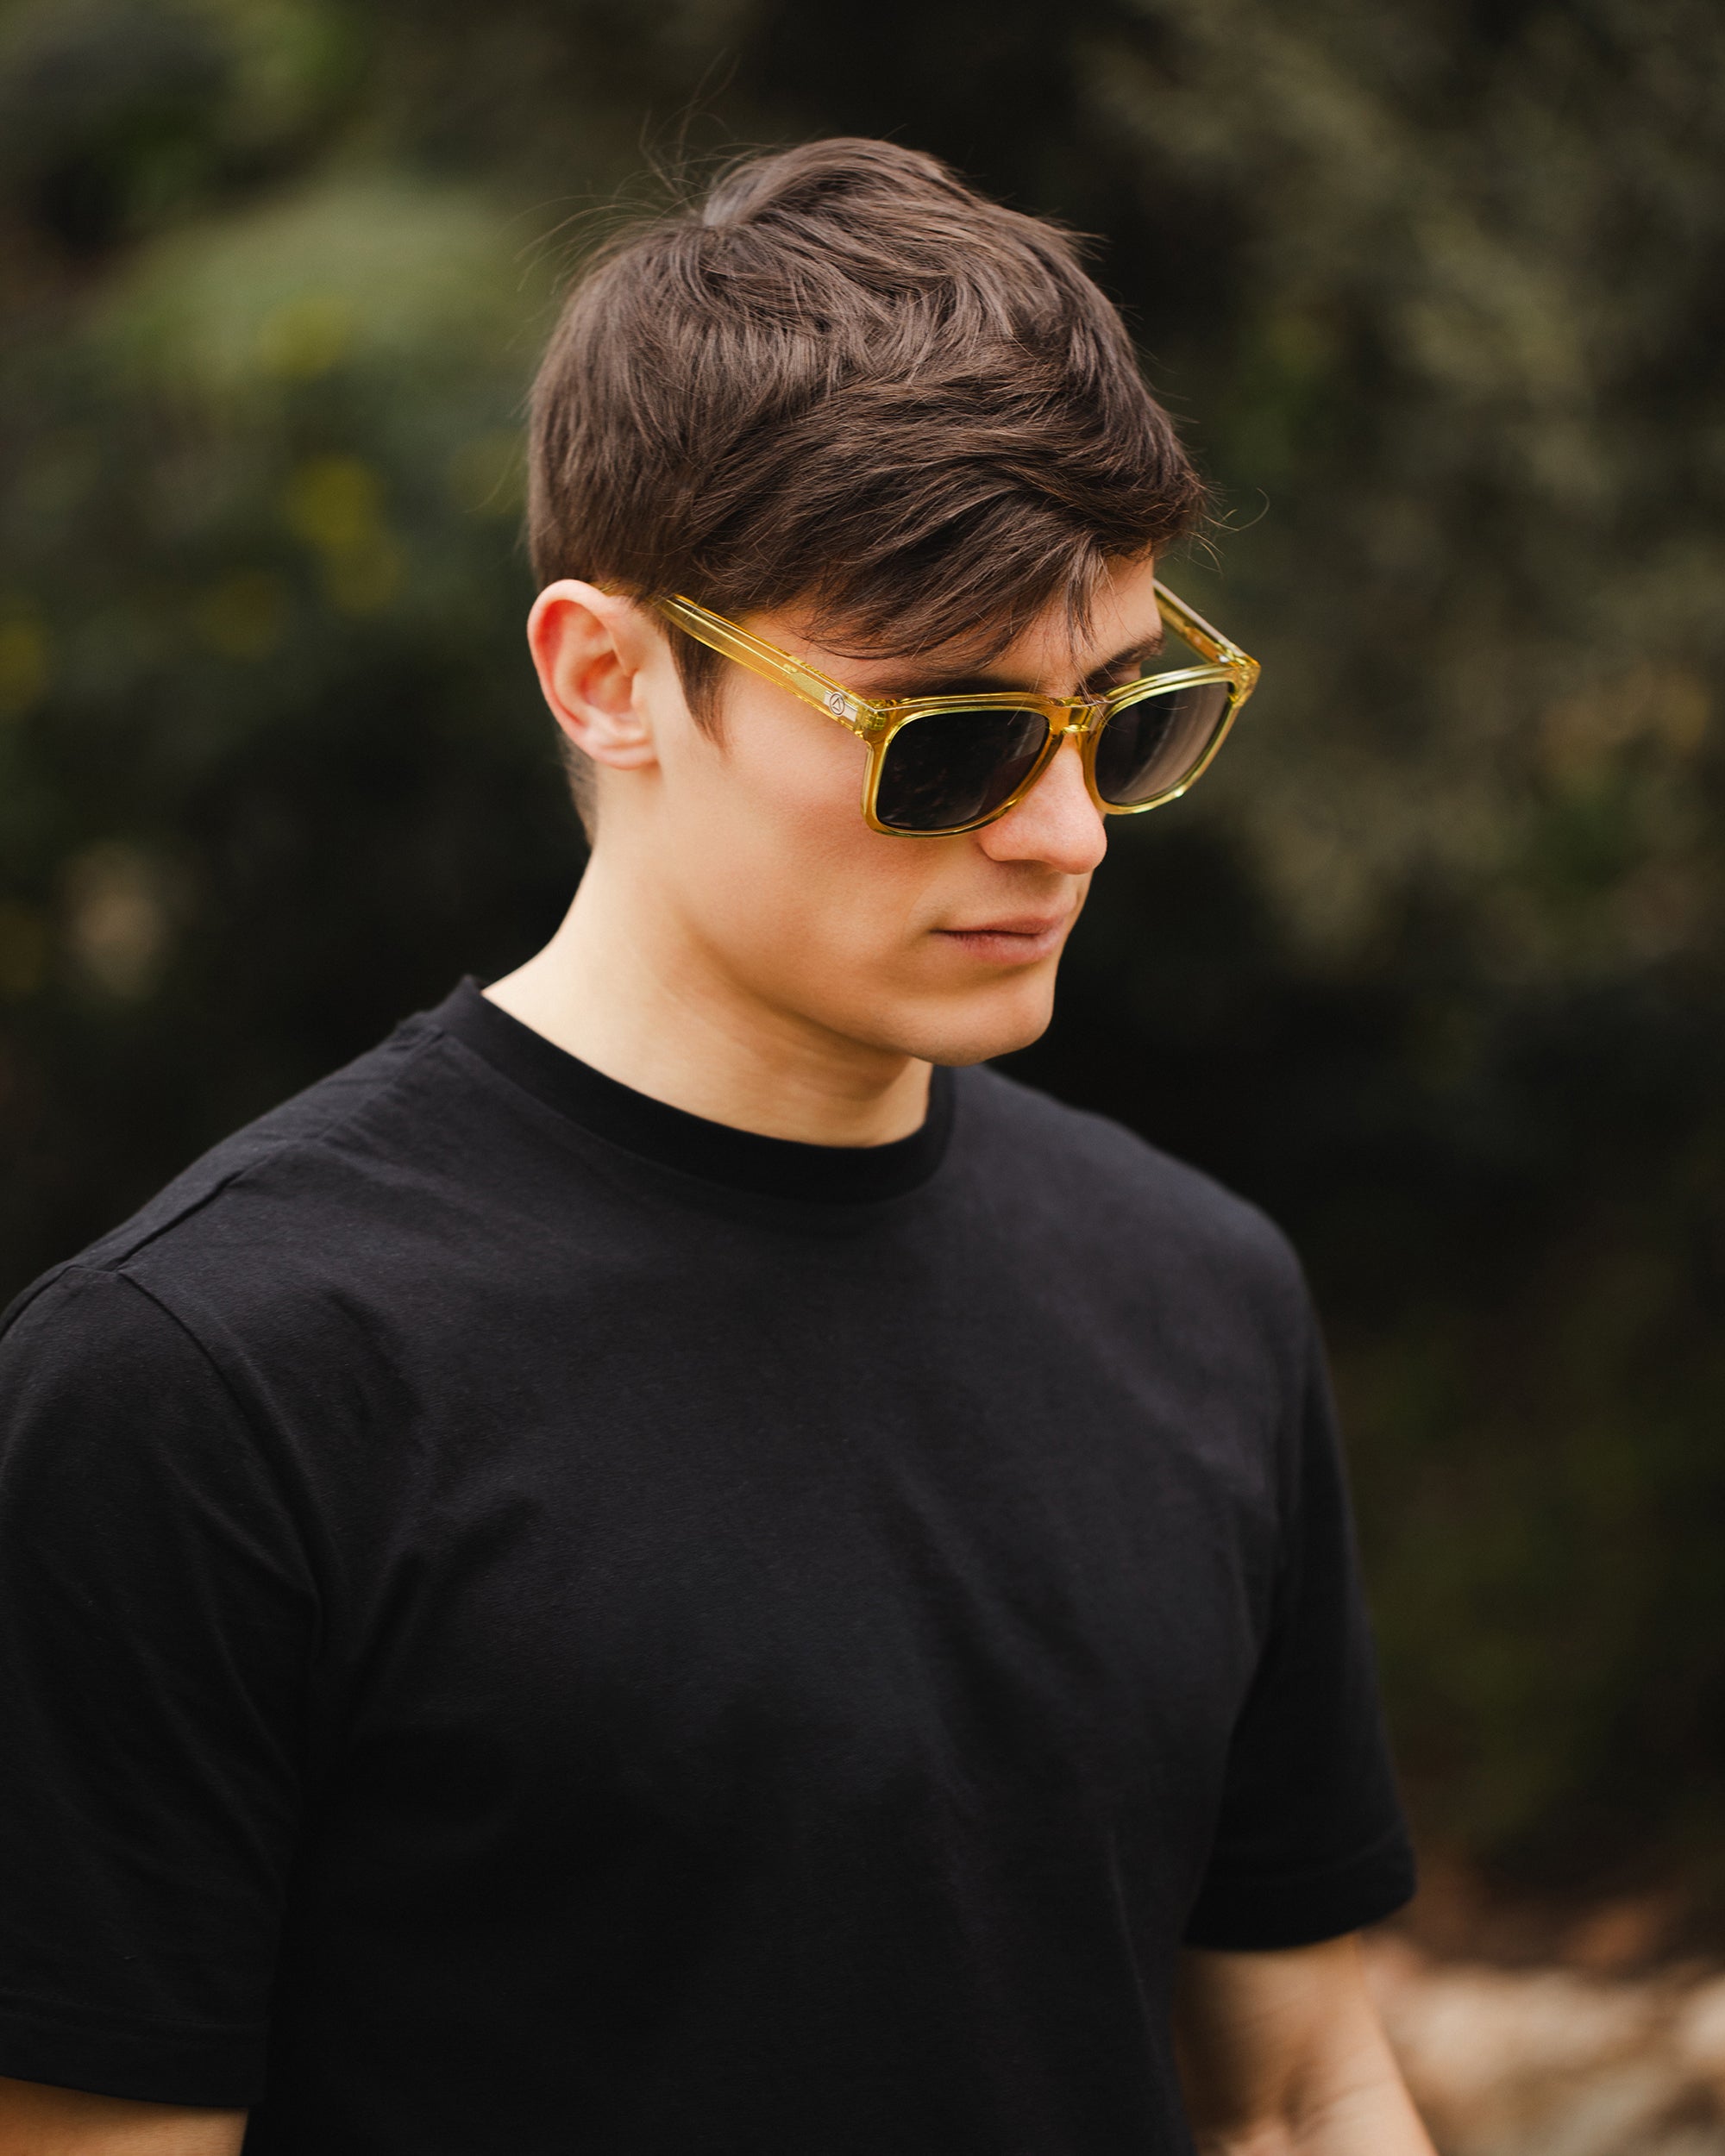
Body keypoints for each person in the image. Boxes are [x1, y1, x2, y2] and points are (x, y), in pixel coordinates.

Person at [0, 140, 1433, 2155]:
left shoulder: (1202, 1293)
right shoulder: (203, 1384)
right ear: (608, 678)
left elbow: (1294, 2086)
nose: (1064, 832)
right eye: (946, 741)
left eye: (1126, 720)